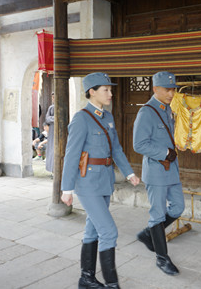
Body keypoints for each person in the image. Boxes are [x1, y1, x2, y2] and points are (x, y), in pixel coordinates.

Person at [61, 72, 140, 289]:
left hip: (104, 180)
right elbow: (71, 155)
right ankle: (112, 284)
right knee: (109, 231)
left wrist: (129, 172)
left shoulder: (108, 117)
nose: (111, 93)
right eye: (105, 89)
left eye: (111, 89)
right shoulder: (81, 119)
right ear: (92, 92)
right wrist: (66, 188)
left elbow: (116, 149)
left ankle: (86, 278)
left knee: (93, 229)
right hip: (87, 183)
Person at [133, 71, 185, 276]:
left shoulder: (167, 109)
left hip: (171, 169)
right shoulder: (147, 112)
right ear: (155, 89)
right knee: (157, 214)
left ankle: (148, 234)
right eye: (167, 89)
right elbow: (139, 144)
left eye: (173, 89)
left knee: (178, 207)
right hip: (156, 170)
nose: (171, 93)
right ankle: (162, 259)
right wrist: (164, 152)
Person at [45, 93, 54, 172]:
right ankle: (51, 169)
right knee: (51, 149)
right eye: (53, 97)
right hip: (52, 131)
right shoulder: (51, 107)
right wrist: (55, 118)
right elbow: (47, 119)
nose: (53, 98)